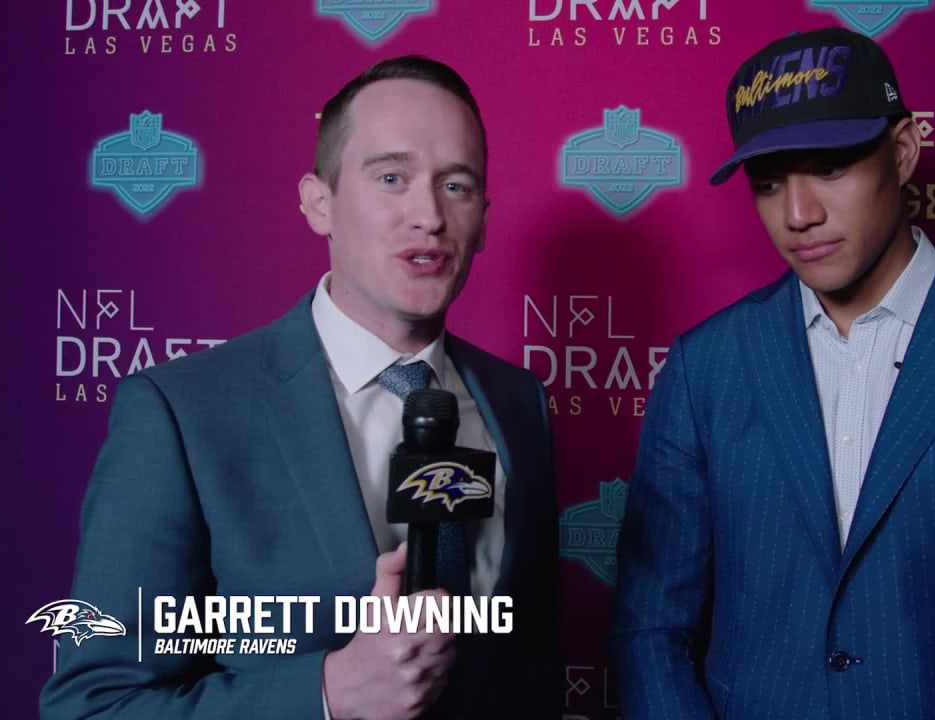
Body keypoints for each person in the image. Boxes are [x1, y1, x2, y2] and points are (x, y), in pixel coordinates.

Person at [609, 27, 935, 719]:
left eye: (829, 168)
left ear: (906, 151)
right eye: (769, 184)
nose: (799, 215)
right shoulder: (706, 366)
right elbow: (650, 626)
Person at [41, 55, 561, 720]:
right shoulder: (180, 414)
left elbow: (528, 666)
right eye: (392, 178)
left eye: (456, 186)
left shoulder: (519, 403)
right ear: (320, 203)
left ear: (483, 219)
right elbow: (93, 705)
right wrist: (326, 694)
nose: (428, 214)